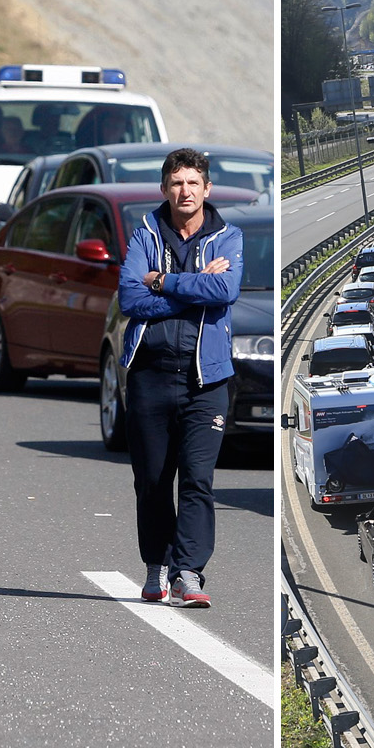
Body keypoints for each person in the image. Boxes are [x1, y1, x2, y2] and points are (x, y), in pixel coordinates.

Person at [119, 148, 243, 607]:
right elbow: (130, 300)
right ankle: (156, 565)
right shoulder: (145, 234)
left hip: (205, 383)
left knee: (197, 480)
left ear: (206, 189)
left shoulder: (228, 237)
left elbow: (225, 290)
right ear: (164, 189)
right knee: (152, 480)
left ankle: (188, 574)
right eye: (176, 183)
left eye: (193, 183)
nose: (184, 191)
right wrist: (193, 287)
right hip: (150, 376)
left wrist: (163, 281)